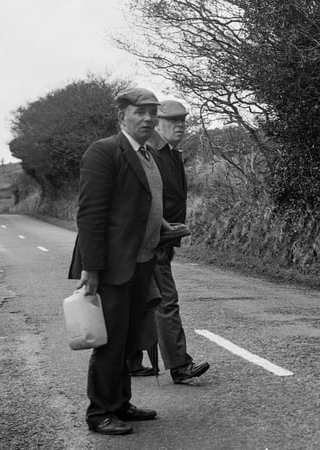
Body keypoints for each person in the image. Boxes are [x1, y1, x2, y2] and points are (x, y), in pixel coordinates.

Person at [68, 87, 165, 435]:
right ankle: (100, 413)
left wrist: (165, 227)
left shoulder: (148, 155)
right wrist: (91, 267)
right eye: (140, 112)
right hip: (111, 265)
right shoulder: (105, 151)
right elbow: (91, 213)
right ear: (121, 115)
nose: (149, 118)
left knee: (127, 340)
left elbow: (140, 206)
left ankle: (120, 403)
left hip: (142, 260)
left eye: (153, 112)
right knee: (109, 341)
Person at [127, 100, 210, 383]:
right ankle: (179, 364)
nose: (180, 126)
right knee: (165, 300)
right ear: (157, 123)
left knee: (145, 300)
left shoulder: (171, 153)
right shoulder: (151, 153)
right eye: (173, 121)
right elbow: (145, 199)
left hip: (164, 238)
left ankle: (132, 361)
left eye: (183, 121)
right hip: (153, 240)